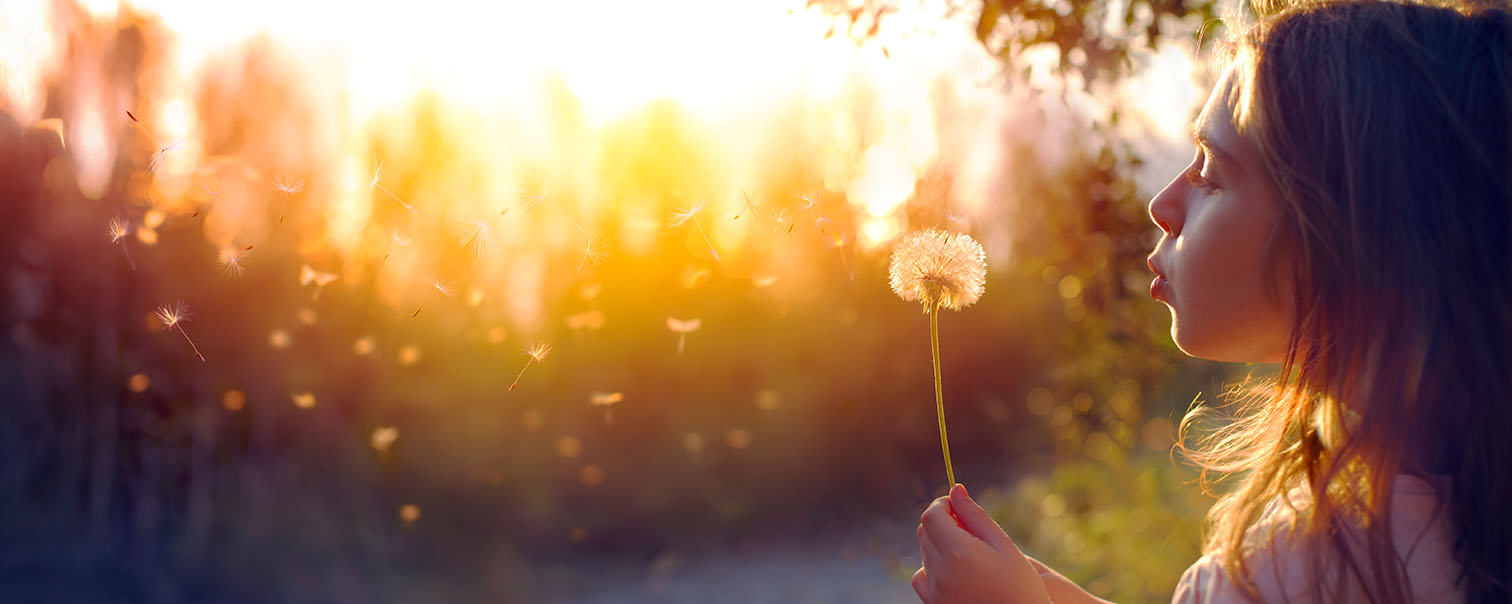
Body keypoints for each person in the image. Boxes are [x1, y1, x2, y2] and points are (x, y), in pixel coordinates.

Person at [911, 0, 1512, 602]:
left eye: (1210, 173)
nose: (1162, 205)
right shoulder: (1467, 506)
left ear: (1345, 238)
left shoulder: (1278, 575)